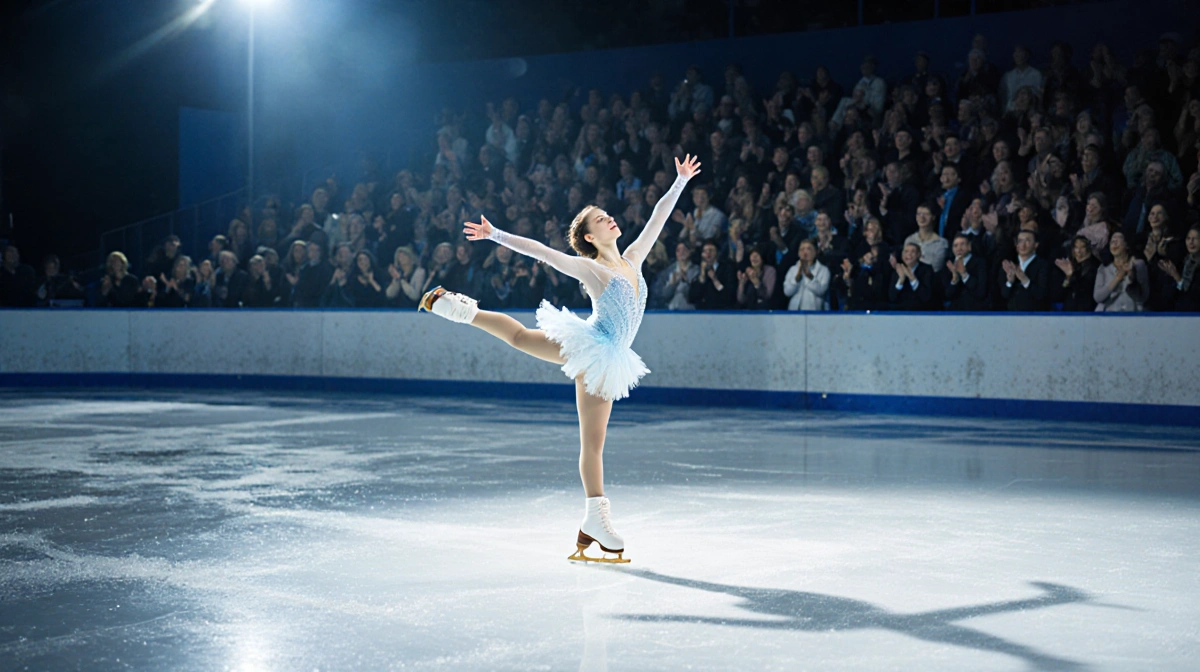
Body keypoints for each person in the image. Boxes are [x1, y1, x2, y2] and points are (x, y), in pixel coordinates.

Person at [419, 154, 702, 564]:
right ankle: (596, 518)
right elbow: (543, 252)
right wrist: (495, 233)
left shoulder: (633, 258)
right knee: (592, 442)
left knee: (519, 338)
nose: (609, 220)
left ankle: (454, 308)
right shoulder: (593, 270)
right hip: (597, 352)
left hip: (603, 350)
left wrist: (678, 183)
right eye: (600, 220)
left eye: (607, 215)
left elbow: (658, 216)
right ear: (589, 237)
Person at [1093, 232, 1149, 312]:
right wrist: (1118, 278)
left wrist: (1131, 279)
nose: (1114, 243)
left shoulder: (1139, 265)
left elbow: (1142, 298)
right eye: (1112, 241)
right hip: (1110, 316)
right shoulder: (1103, 268)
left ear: (1127, 245)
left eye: (1118, 239)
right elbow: (1098, 297)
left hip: (1133, 316)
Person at [999, 230, 1052, 311]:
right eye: (1020, 241)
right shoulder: (1010, 264)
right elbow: (1004, 295)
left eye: (1027, 241)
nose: (1023, 245)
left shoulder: (1043, 265)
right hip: (1012, 316)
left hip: (1035, 316)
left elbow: (1042, 295)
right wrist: (1010, 282)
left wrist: (1026, 281)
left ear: (1036, 245)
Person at [942, 234, 990, 311]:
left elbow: (981, 292)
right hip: (954, 312)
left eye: (962, 244)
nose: (959, 248)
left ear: (969, 246)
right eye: (955, 245)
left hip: (975, 310)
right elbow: (947, 295)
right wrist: (954, 279)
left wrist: (964, 275)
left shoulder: (980, 263)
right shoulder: (949, 264)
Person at [1157, 226, 1200, 311]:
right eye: (1188, 238)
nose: (1191, 242)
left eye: (1195, 239)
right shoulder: (1183, 261)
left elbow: (1194, 295)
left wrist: (1177, 278)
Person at [1055, 236, 1100, 312]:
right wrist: (1068, 277)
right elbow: (1058, 296)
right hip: (1068, 312)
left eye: (1082, 247)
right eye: (1076, 247)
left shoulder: (1096, 267)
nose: (1079, 251)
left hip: (1087, 313)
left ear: (1088, 249)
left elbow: (1085, 291)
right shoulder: (1069, 265)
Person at [783, 240, 830, 311]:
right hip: (795, 313)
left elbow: (821, 291)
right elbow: (787, 292)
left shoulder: (823, 270)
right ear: (798, 253)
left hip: (816, 313)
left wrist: (809, 276)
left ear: (816, 251)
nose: (805, 252)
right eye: (802, 249)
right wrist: (797, 278)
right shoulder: (793, 269)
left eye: (809, 249)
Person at [888, 243, 937, 310]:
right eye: (906, 251)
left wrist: (912, 278)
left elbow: (926, 296)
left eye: (913, 251)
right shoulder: (898, 270)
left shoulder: (927, 270)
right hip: (901, 313)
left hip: (922, 312)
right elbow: (892, 297)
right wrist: (901, 280)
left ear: (919, 255)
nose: (909, 254)